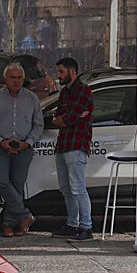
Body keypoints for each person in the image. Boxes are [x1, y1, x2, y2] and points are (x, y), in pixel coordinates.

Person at [0, 62, 45, 237]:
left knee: (17, 186)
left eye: (19, 78)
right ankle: (25, 215)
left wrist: (28, 143)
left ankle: (9, 224)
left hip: (24, 147)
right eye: (12, 78)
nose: (16, 81)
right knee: (0, 181)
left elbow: (39, 125)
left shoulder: (32, 98)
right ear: (5, 79)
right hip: (0, 147)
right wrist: (0, 141)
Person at [50, 57, 96, 241]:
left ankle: (86, 227)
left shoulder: (84, 91)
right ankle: (72, 223)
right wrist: (63, 118)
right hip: (63, 144)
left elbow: (68, 117)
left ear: (72, 72)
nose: (58, 75)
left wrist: (64, 118)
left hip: (77, 144)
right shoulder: (64, 93)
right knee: (65, 188)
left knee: (78, 187)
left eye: (61, 71)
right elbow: (59, 116)